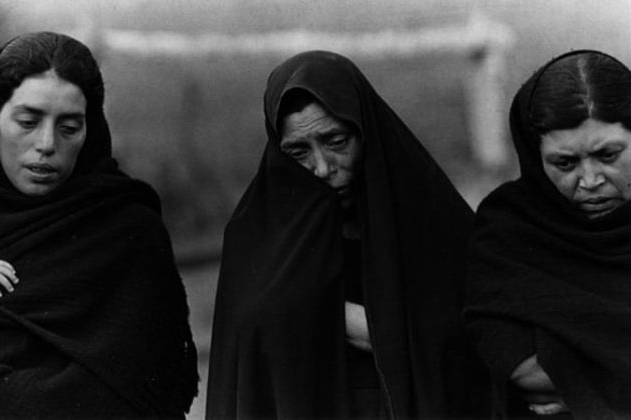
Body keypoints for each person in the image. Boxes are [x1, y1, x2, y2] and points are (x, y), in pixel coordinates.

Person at [206, 50, 489, 419]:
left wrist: (314, 311)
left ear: (365, 131)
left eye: (337, 142)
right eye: (298, 151)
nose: (322, 168)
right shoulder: (254, 236)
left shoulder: (430, 218)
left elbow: (473, 337)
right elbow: (245, 363)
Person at [0, 32, 198, 418]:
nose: (47, 144)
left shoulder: (128, 228)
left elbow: (144, 383)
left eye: (69, 127)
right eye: (28, 121)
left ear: (91, 129)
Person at [465, 50, 631, 419]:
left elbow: (551, 373)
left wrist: (580, 390)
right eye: (565, 163)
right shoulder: (507, 229)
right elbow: (519, 365)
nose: (589, 181)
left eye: (608, 155)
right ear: (533, 155)